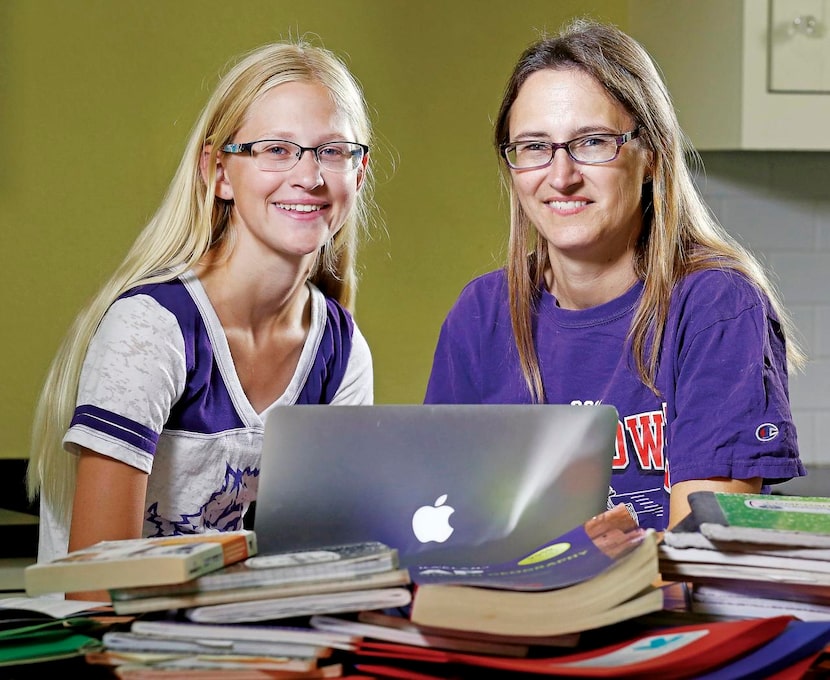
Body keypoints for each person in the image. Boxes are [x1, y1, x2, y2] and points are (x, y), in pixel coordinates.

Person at [424, 18, 807, 532]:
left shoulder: (717, 305)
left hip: (663, 610)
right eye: (535, 147)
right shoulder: (481, 315)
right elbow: (441, 519)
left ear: (650, 155)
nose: (561, 176)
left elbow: (706, 546)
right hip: (510, 610)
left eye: (593, 141)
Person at [26, 39, 377, 598]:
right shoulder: (151, 328)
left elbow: (326, 569)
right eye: (277, 149)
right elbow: (94, 591)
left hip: (252, 645)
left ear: (358, 175)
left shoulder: (341, 351)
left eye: (333, 151)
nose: (309, 175)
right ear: (218, 172)